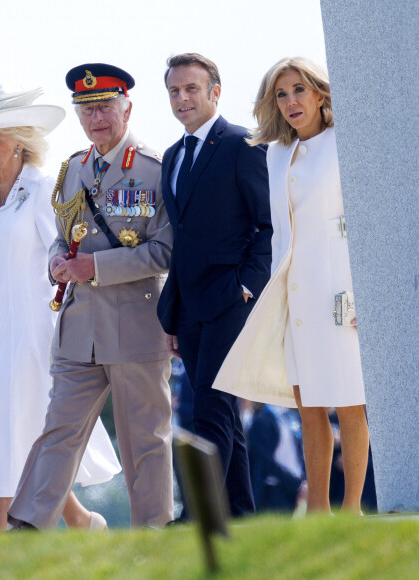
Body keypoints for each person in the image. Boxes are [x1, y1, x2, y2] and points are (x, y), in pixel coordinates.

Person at [0, 85, 121, 531]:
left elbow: (64, 254)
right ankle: (81, 521)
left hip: (32, 329)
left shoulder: (43, 189)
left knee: (6, 423)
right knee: (16, 429)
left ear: (20, 140)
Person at [7, 64, 174, 530]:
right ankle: (26, 526)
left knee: (144, 439)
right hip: (79, 328)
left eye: (104, 106)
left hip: (136, 325)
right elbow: (65, 236)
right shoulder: (73, 168)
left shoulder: (153, 170)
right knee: (58, 432)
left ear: (127, 107)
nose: (95, 117)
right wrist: (59, 261)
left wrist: (93, 268)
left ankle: (154, 535)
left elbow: (164, 251)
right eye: (86, 109)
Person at [213, 57, 370, 514]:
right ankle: (319, 511)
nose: (291, 101)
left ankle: (352, 509)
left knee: (350, 402)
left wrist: (366, 294)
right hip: (293, 296)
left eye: (299, 90)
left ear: (320, 93)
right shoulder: (276, 154)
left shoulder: (347, 144)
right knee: (308, 406)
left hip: (341, 295)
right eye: (281, 94)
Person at [157, 53, 272, 518]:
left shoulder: (243, 144)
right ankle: (241, 514)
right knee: (220, 412)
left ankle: (197, 516)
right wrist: (173, 313)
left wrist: (247, 287)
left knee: (209, 409)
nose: (182, 99)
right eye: (174, 91)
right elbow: (181, 238)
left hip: (232, 299)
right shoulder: (171, 156)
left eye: (191, 89)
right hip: (190, 307)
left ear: (214, 93)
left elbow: (267, 226)